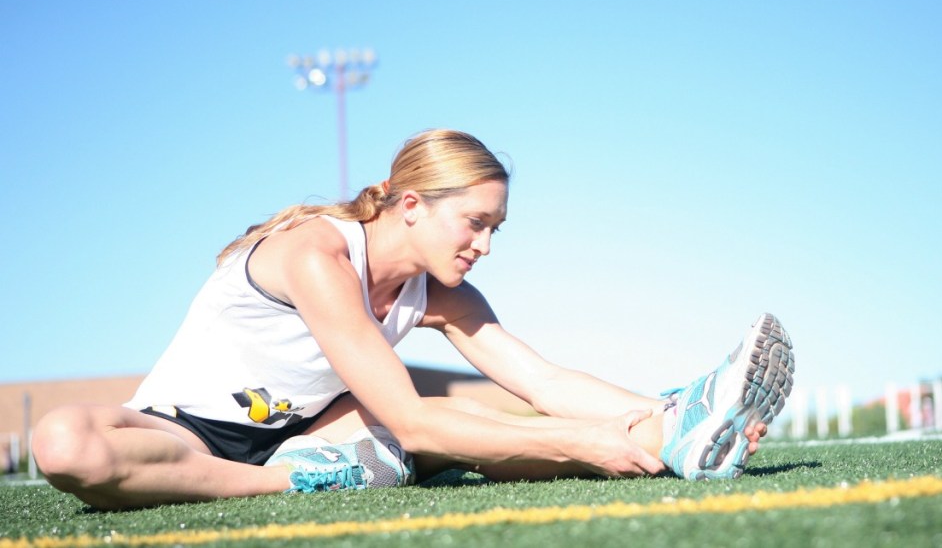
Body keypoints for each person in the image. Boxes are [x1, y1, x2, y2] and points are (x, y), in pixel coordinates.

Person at [31, 129, 795, 509]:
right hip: (183, 433)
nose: (485, 244)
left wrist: (656, 412)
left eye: (496, 228)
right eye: (474, 222)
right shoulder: (314, 255)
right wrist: (583, 442)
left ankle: (676, 427)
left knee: (461, 426)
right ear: (409, 206)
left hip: (314, 430)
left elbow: (541, 378)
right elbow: (412, 418)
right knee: (63, 442)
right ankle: (290, 484)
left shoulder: (442, 293)